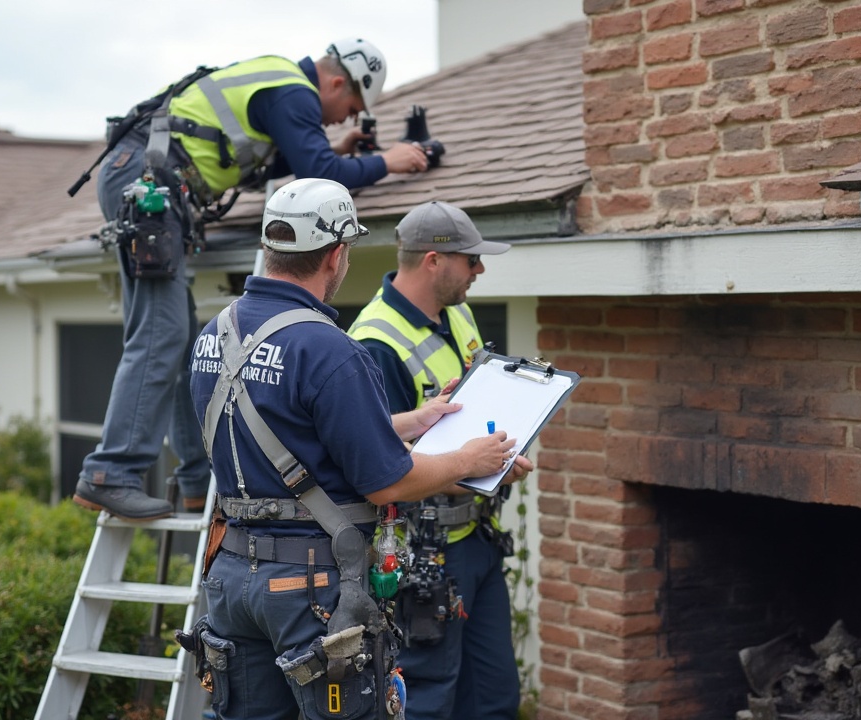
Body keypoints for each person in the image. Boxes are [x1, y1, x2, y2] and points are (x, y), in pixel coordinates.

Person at [187, 178, 529, 720]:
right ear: (337, 254)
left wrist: (408, 421)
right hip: (307, 587)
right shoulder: (330, 348)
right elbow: (385, 482)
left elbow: (293, 431)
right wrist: (471, 461)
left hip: (232, 575)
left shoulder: (215, 334)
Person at [74, 39, 430, 520]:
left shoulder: (280, 85)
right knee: (160, 333)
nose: (343, 120)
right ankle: (109, 472)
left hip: (148, 177)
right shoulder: (294, 92)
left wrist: (337, 151)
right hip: (149, 183)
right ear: (337, 82)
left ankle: (197, 479)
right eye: (350, 108)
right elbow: (318, 170)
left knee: (176, 337)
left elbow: (276, 155)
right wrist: (388, 161)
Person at [347, 201, 522, 720]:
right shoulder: (374, 345)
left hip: (476, 541)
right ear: (433, 261)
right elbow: (383, 477)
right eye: (471, 260)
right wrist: (482, 467)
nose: (479, 270)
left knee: (493, 698)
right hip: (425, 556)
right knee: (427, 698)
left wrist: (502, 454)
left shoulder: (457, 312)